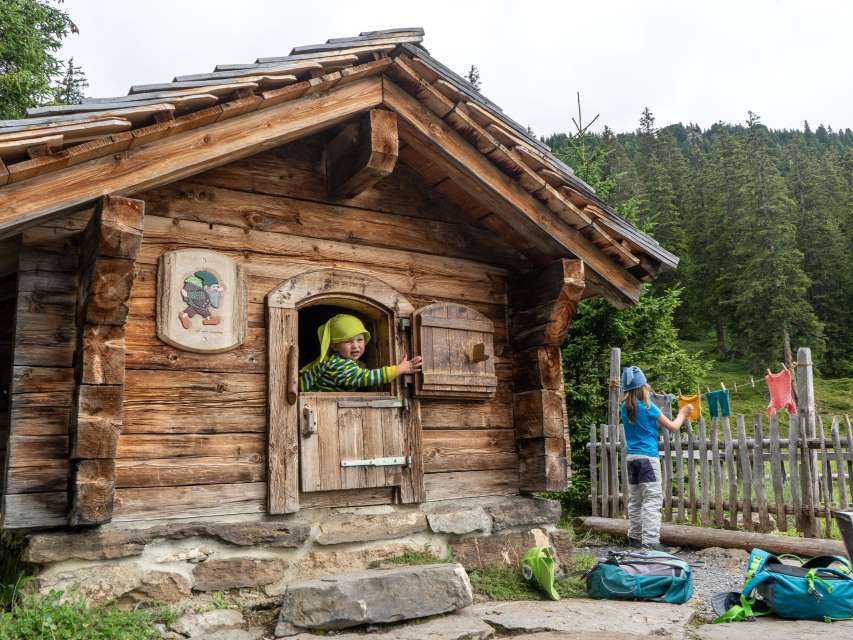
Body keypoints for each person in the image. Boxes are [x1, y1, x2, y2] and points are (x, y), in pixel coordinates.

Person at [619, 365, 692, 551]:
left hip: (632, 459)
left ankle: (635, 538)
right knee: (652, 500)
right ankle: (651, 541)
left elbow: (643, 427)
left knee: (636, 500)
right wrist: (683, 413)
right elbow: (673, 427)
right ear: (644, 387)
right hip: (647, 459)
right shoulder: (649, 407)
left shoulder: (624, 409)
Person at [299, 313, 422, 392]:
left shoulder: (338, 361)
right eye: (348, 341)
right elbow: (366, 378)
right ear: (334, 346)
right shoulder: (338, 366)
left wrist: (359, 365)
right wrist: (400, 369)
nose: (355, 346)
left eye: (360, 340)